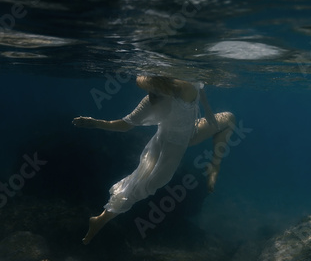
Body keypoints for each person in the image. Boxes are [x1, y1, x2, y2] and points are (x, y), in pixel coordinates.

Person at [72, 75, 236, 244]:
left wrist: (207, 108)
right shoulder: (151, 101)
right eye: (150, 91)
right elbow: (125, 124)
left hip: (191, 132)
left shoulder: (184, 88)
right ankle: (101, 219)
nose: (151, 95)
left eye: (155, 90)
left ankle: (214, 167)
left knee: (229, 119)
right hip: (166, 143)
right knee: (147, 182)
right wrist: (96, 123)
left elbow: (197, 86)